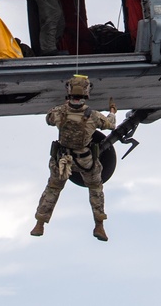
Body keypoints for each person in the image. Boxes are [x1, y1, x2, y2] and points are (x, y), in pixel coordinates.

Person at [31, 75, 117, 241]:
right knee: (95, 189)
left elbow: (48, 119)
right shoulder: (93, 116)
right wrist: (112, 112)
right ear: (86, 93)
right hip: (85, 160)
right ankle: (99, 225)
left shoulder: (59, 112)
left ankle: (39, 224)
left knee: (53, 189)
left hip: (62, 160)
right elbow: (110, 124)